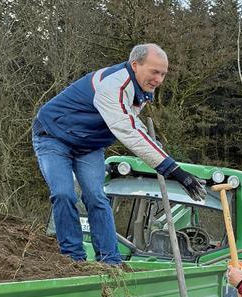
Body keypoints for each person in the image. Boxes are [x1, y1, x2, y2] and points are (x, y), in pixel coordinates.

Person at [32, 43, 207, 265]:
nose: (159, 80)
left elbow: (133, 123)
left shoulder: (141, 91)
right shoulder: (113, 85)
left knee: (96, 197)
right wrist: (173, 170)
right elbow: (126, 129)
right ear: (135, 65)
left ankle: (110, 260)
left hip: (89, 145)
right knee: (64, 194)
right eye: (155, 72)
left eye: (163, 74)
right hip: (53, 136)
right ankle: (73, 258)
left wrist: (156, 146)